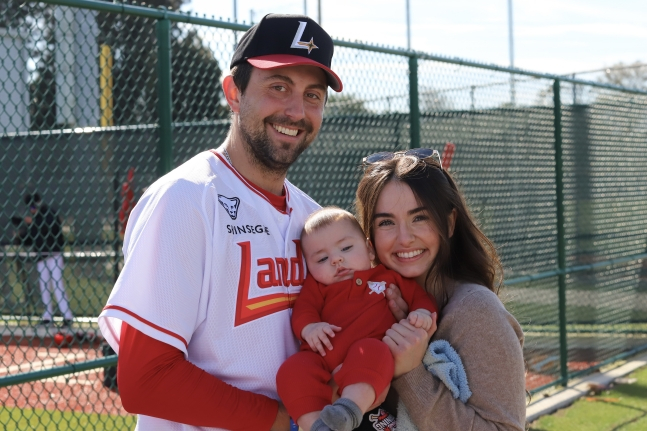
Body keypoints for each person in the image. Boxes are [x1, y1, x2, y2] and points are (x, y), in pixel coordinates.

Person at [98, 14, 347, 431]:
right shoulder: (185, 199)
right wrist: (283, 422)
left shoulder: (313, 219)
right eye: (278, 86)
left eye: (313, 95)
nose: (296, 110)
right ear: (233, 92)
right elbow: (146, 379)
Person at [354, 149, 527, 431]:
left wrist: (411, 372)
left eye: (419, 217)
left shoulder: (475, 311)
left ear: (448, 223)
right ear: (369, 237)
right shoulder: (370, 303)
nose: (404, 238)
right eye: (386, 222)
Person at [276, 207, 437, 431]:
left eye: (346, 248)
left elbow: (419, 297)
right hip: (323, 361)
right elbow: (303, 311)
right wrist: (309, 328)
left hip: (368, 363)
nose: (336, 259)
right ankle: (315, 425)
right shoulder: (317, 287)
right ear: (308, 267)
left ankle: (348, 410)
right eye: (322, 258)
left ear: (369, 249)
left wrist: (421, 313)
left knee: (375, 350)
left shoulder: (386, 277)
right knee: (292, 369)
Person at [23, 193, 74, 327]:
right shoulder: (34, 219)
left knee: (58, 285)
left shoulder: (48, 214)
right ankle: (48, 317)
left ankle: (67, 317)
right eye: (31, 207)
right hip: (41, 256)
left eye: (34, 206)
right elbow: (31, 239)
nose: (32, 209)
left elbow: (50, 228)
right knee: (44, 286)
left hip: (54, 254)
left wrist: (33, 223)